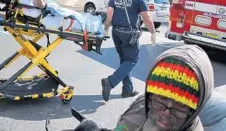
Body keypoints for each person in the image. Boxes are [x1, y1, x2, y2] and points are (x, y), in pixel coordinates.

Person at [73, 44, 214, 131]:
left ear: (194, 110)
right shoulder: (143, 103)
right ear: (150, 94)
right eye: (162, 98)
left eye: (180, 105)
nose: (166, 112)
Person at [101, 0, 156, 101]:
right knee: (131, 60)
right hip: (129, 34)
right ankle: (110, 81)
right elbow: (146, 17)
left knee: (124, 60)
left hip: (116, 32)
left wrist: (106, 29)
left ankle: (127, 89)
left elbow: (109, 13)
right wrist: (153, 32)